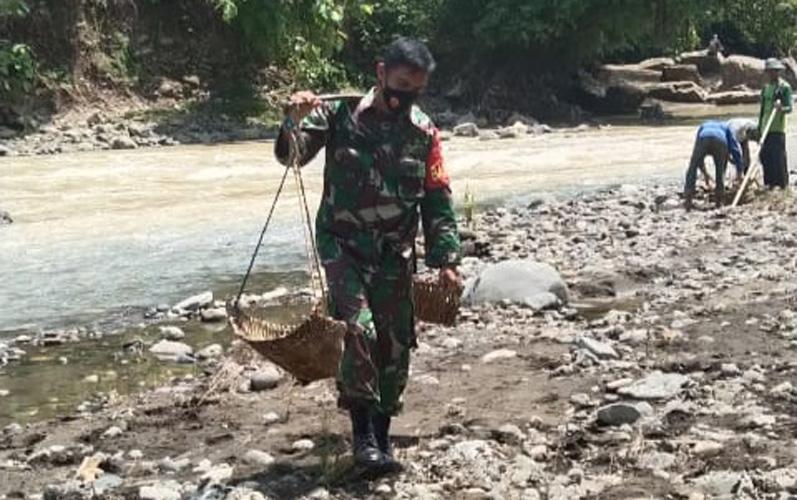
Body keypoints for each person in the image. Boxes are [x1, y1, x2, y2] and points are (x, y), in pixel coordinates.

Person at [274, 37, 461, 473]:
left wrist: (446, 260)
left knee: (395, 344)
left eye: (415, 89)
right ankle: (363, 441)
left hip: (394, 252)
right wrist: (290, 120)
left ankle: (382, 434)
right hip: (343, 246)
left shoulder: (424, 132)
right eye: (399, 85)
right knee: (360, 332)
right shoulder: (337, 114)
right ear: (381, 74)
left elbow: (436, 197)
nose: (404, 97)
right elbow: (292, 157)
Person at [684, 120, 744, 210]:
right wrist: (740, 171)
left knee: (692, 166)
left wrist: (705, 174)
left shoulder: (704, 125)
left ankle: (688, 198)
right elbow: (734, 149)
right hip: (720, 141)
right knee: (720, 172)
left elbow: (698, 159)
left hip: (704, 138)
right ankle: (719, 202)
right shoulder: (727, 128)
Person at [757, 58, 793, 188]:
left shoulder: (784, 88)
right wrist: (759, 127)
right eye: (770, 71)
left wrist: (780, 108)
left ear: (778, 72)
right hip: (765, 128)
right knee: (765, 157)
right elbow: (762, 109)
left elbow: (789, 108)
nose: (772, 74)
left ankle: (783, 185)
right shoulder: (766, 88)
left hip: (777, 129)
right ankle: (769, 184)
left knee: (778, 159)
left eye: (775, 71)